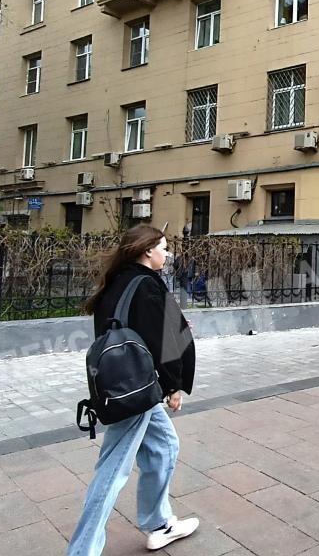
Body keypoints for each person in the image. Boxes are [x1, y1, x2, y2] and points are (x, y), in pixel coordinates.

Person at [70, 225, 198, 556]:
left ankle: (160, 524)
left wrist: (176, 325)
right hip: (137, 389)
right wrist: (174, 385)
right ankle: (82, 550)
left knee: (164, 446)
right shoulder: (146, 285)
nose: (167, 254)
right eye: (164, 248)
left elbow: (125, 330)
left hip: (125, 385)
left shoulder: (118, 282)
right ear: (147, 251)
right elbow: (162, 340)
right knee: (112, 470)